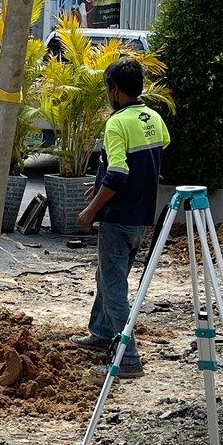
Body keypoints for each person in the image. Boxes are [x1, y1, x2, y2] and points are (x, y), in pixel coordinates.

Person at [70, 57, 170, 354]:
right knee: (108, 276)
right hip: (141, 217)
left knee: (114, 287)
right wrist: (102, 181)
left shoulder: (116, 123)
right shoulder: (153, 118)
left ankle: (128, 355)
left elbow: (118, 173)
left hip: (117, 217)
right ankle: (101, 334)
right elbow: (145, 160)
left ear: (114, 90)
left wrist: (91, 209)